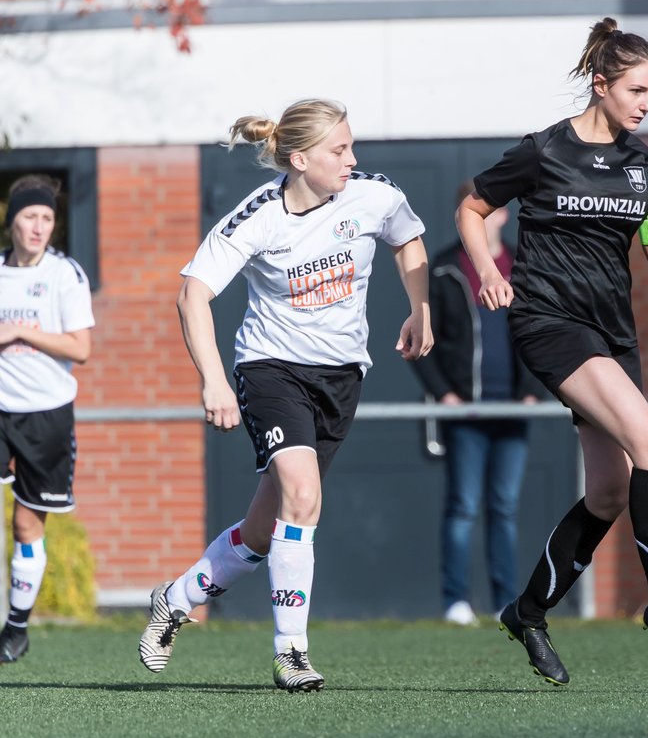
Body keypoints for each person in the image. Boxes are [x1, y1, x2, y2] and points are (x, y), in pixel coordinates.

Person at [457, 18, 648, 685]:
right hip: (550, 324)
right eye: (637, 89)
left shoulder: (643, 167)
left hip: (613, 335)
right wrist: (491, 273)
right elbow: (472, 209)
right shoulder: (542, 152)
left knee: (613, 488)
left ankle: (527, 612)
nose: (647, 103)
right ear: (601, 83)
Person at [138, 98, 432, 691]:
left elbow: (410, 242)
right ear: (299, 159)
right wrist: (214, 380)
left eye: (351, 146)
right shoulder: (259, 216)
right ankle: (291, 652)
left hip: (342, 375)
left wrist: (419, 308)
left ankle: (176, 598)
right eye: (339, 150)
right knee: (303, 492)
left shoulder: (373, 194)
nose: (353, 160)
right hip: (272, 370)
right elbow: (193, 293)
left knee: (265, 529)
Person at [413, 180, 541, 627]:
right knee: (463, 506)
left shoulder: (525, 267)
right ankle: (456, 602)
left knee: (504, 507)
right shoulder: (446, 267)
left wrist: (532, 390)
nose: (484, 220)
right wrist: (444, 393)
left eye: (491, 212)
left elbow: (537, 335)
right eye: (473, 212)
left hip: (512, 409)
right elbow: (421, 338)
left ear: (504, 215)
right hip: (464, 411)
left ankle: (508, 602)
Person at [0, 175, 95, 664]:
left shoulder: (65, 275)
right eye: (30, 217)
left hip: (46, 413)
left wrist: (22, 332)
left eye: (47, 219)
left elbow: (81, 348)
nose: (38, 227)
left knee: (25, 524)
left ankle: (15, 629)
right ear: (11, 220)